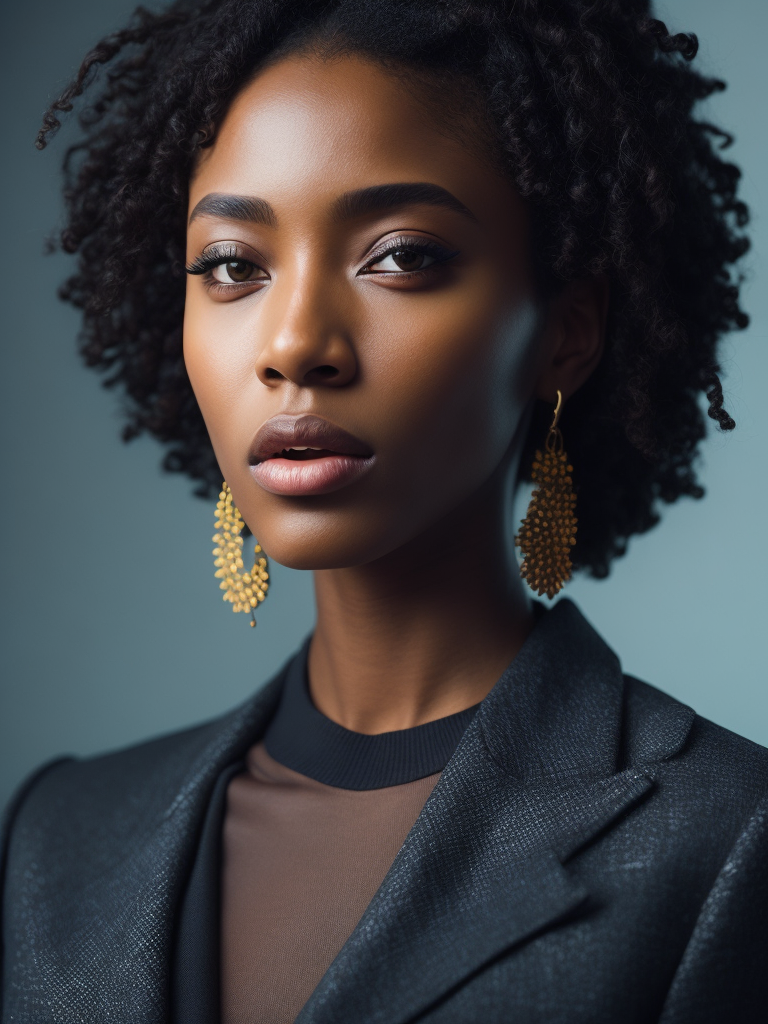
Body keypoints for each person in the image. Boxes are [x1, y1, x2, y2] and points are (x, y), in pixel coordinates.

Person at [2, 1, 766, 1021]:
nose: (295, 342)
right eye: (233, 264)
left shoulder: (725, 839)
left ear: (566, 335)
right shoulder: (56, 837)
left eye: (401, 255)